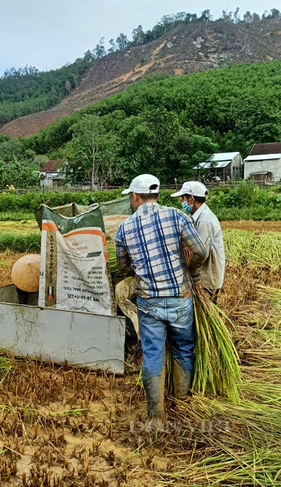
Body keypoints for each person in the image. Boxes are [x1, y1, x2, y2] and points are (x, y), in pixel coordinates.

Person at [115, 174, 207, 425]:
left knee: (153, 354)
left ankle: (155, 415)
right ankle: (183, 403)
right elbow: (200, 250)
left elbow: (123, 267)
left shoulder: (125, 227)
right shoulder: (177, 216)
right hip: (180, 297)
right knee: (183, 349)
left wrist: (140, 268)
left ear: (135, 197)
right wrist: (190, 267)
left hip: (150, 302)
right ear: (156, 195)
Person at [171, 181, 225, 304]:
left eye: (183, 198)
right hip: (200, 276)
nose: (182, 202)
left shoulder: (205, 221)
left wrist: (188, 268)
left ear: (191, 199)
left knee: (205, 313)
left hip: (206, 278)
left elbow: (201, 253)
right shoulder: (194, 216)